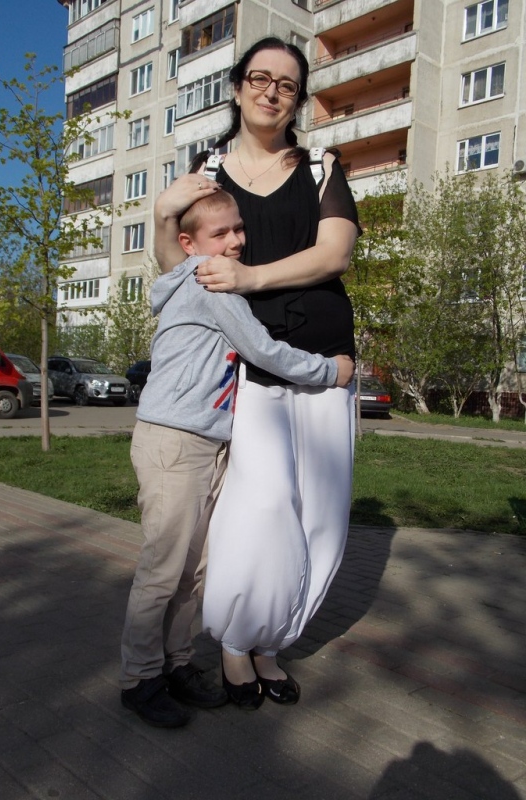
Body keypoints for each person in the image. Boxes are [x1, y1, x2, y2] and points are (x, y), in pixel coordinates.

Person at [153, 37, 361, 709]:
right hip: (248, 367)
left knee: (319, 519)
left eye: (287, 84)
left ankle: (274, 641)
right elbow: (180, 268)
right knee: (262, 507)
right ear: (239, 86)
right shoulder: (207, 171)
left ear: (298, 99)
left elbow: (334, 254)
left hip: (326, 365)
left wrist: (250, 276)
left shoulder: (322, 166)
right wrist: (161, 214)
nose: (272, 92)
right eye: (261, 78)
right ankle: (237, 643)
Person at [120, 189, 355, 728]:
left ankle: (178, 664)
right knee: (162, 570)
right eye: (220, 232)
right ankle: (139, 679)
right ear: (189, 244)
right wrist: (330, 371)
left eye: (238, 229)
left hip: (204, 442)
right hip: (175, 442)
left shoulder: (200, 279)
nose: (235, 241)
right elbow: (263, 349)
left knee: (194, 571)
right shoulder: (209, 283)